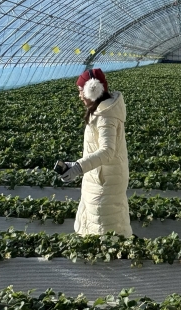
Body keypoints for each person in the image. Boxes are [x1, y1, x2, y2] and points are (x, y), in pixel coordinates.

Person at [57, 68, 132, 237]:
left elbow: (107, 151)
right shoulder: (101, 110)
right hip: (100, 177)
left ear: (93, 89)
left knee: (106, 228)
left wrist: (79, 167)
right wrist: (77, 166)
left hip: (106, 181)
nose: (79, 96)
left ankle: (110, 255)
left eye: (80, 91)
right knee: (100, 224)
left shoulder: (106, 116)